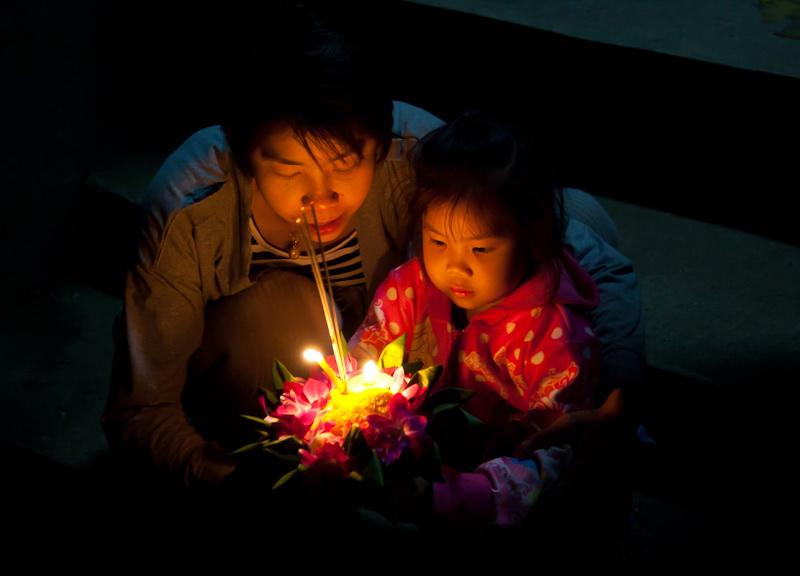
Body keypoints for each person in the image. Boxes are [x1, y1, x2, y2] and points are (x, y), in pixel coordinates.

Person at [103, 1, 644, 489]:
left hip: (397, 358)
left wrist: (619, 392)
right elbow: (139, 409)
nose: (323, 197)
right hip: (279, 363)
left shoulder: (412, 154)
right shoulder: (192, 210)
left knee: (580, 210)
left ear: (379, 147)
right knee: (274, 310)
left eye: (346, 163)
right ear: (245, 155)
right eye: (290, 170)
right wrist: (229, 478)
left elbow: (578, 255)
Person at [349, 111, 603, 526]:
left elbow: (553, 455)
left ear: (529, 237)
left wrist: (454, 497)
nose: (456, 268)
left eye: (481, 249)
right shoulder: (409, 289)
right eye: (438, 241)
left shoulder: (554, 333)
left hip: (494, 501)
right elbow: (363, 362)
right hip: (410, 465)